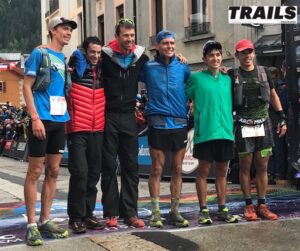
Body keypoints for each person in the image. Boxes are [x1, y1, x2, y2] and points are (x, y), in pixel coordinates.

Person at [22, 16, 77, 246]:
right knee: (35, 171)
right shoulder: (39, 54)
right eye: (65, 29)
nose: (69, 33)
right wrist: (34, 118)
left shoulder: (62, 59)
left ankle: (45, 220)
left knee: (54, 171)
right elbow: (26, 86)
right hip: (41, 119)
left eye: (70, 30)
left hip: (59, 120)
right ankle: (32, 224)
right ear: (53, 30)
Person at [228, 39, 287, 221]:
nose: (247, 55)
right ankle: (248, 206)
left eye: (250, 52)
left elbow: (273, 95)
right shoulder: (231, 74)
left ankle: (262, 204)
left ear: (254, 53)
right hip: (243, 124)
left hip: (264, 124)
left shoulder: (263, 72)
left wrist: (282, 117)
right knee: (245, 167)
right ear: (237, 56)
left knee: (263, 167)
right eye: (243, 53)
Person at [100, 18, 149, 228]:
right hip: (108, 116)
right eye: (125, 36)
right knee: (109, 166)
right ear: (117, 36)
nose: (129, 39)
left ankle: (130, 212)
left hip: (129, 116)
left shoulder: (140, 57)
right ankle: (111, 212)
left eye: (132, 35)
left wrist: (179, 59)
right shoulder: (104, 56)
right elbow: (84, 62)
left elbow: (159, 67)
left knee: (131, 166)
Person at [140, 30, 191, 228]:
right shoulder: (148, 67)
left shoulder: (183, 66)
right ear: (157, 46)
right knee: (156, 169)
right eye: (165, 43)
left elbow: (194, 84)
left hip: (179, 122)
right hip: (158, 122)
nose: (169, 46)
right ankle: (155, 212)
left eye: (172, 43)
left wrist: (220, 70)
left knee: (177, 169)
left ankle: (174, 210)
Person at [186, 40, 238, 225]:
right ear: (204, 59)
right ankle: (203, 210)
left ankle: (223, 209)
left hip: (225, 132)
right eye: (211, 55)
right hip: (205, 132)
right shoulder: (197, 78)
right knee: (203, 172)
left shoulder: (227, 78)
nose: (215, 58)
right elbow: (183, 96)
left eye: (217, 54)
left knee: (223, 172)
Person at [66, 36, 105, 234]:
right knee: (80, 173)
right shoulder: (75, 66)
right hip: (77, 128)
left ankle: (88, 214)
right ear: (85, 51)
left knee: (92, 174)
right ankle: (75, 217)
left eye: (99, 52)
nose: (96, 56)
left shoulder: (104, 68)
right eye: (92, 52)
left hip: (97, 128)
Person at [267, 64, 288, 183]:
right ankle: (271, 173)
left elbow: (283, 105)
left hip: (277, 123)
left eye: (273, 77)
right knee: (269, 151)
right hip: (268, 123)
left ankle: (279, 174)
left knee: (278, 150)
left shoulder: (282, 87)